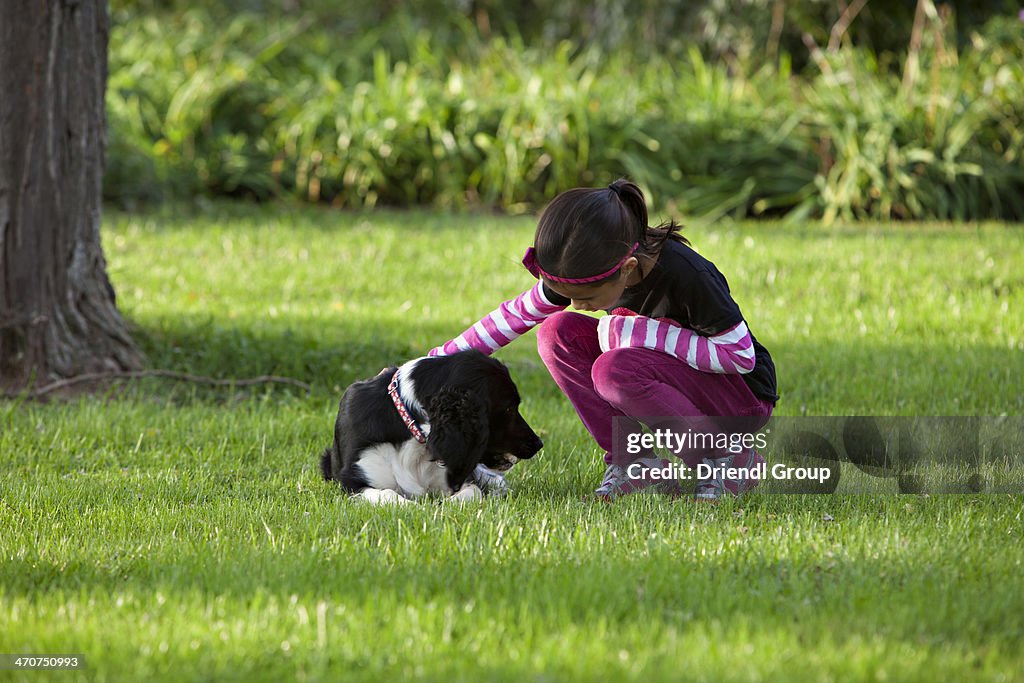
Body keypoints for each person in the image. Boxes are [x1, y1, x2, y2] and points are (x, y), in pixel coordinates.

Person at [431, 179, 778, 501]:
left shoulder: (688, 277)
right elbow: (513, 317)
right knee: (555, 333)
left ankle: (727, 460)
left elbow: (739, 356)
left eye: (587, 297)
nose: (578, 305)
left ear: (627, 269)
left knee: (614, 370)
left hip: (740, 399)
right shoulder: (588, 273)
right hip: (668, 377)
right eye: (569, 294)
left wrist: (642, 334)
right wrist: (432, 367)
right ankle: (636, 464)